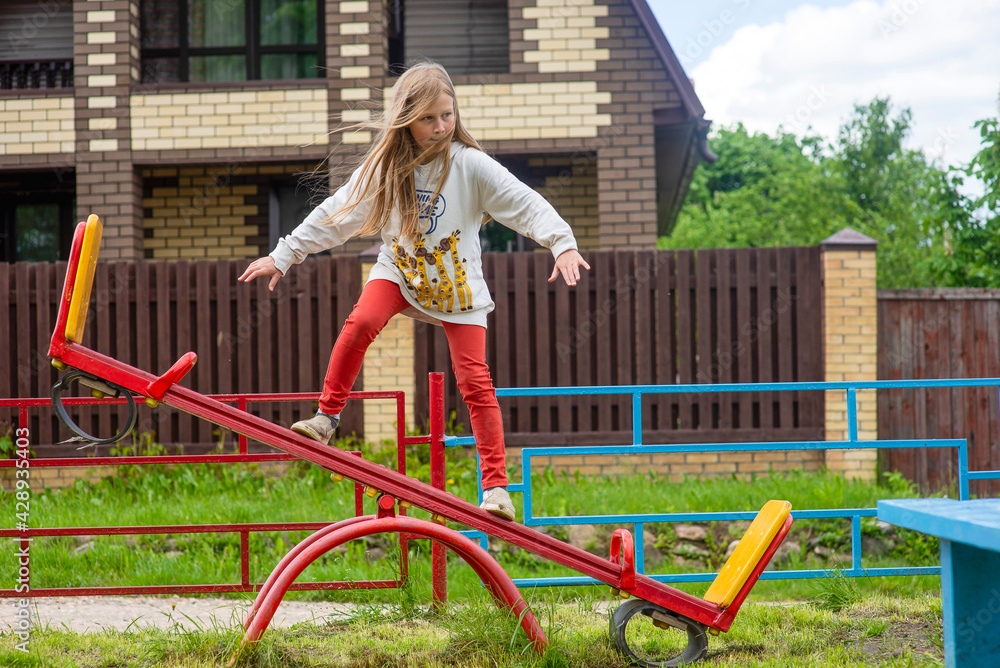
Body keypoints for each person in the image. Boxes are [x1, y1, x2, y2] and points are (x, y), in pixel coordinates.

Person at [238, 63, 590, 521]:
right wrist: (285, 254)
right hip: (401, 273)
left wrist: (561, 243)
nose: (441, 127)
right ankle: (326, 418)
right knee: (361, 321)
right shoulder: (385, 166)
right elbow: (338, 212)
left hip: (456, 287)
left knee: (475, 382)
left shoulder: (470, 165)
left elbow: (523, 202)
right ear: (407, 120)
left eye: (447, 115)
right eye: (428, 119)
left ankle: (497, 488)